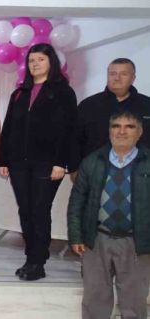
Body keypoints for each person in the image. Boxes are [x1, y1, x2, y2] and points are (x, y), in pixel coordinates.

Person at [0, 43, 77, 281]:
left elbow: (69, 130)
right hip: (19, 163)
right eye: (32, 60)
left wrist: (61, 163)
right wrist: (3, 159)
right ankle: (31, 257)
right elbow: (8, 128)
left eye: (40, 60)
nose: (35, 64)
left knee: (40, 210)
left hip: (47, 163)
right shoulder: (19, 93)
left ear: (51, 62)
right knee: (25, 210)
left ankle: (38, 261)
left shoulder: (63, 92)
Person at [68, 111, 150, 319]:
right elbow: (77, 202)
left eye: (129, 126)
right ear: (109, 131)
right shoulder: (92, 161)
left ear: (140, 132)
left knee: (134, 302)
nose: (122, 131)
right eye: (116, 126)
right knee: (95, 301)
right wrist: (76, 236)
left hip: (137, 243)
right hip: (97, 240)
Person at [71, 58, 150, 175]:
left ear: (133, 78)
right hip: (95, 172)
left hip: (140, 173)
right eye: (113, 74)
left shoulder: (147, 105)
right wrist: (74, 169)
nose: (117, 78)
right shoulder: (88, 105)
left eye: (123, 74)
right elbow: (74, 139)